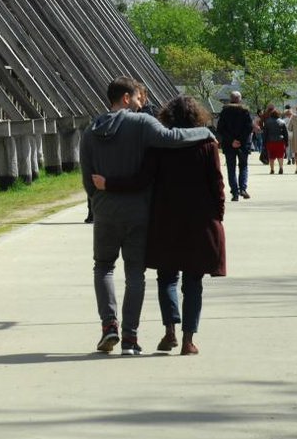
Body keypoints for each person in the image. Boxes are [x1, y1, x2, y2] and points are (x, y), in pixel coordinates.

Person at [80, 77, 213, 356]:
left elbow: (87, 179)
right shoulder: (141, 124)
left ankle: (109, 326)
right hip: (138, 211)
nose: (143, 104)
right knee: (134, 275)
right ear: (126, 98)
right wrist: (205, 133)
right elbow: (173, 137)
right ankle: (130, 337)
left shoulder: (90, 131)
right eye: (140, 98)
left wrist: (98, 201)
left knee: (103, 267)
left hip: (105, 209)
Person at [216, 91, 253, 201]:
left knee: (231, 168)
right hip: (243, 145)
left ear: (230, 99)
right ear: (240, 99)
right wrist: (240, 140)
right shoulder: (245, 111)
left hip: (229, 144)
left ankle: (235, 193)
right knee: (243, 166)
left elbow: (220, 129)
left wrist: (232, 140)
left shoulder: (225, 111)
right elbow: (249, 128)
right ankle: (243, 188)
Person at [263, 108, 288, 174]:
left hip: (270, 141)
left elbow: (265, 133)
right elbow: (285, 133)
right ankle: (281, 168)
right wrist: (286, 142)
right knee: (280, 155)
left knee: (271, 156)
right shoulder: (282, 122)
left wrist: (264, 143)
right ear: (278, 114)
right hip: (280, 141)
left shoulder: (267, 122)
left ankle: (272, 169)